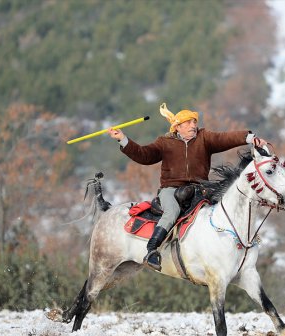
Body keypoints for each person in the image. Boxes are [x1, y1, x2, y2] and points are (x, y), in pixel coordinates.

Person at [108, 102, 269, 271]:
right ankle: (152, 250)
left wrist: (249, 138)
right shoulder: (164, 142)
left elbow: (224, 138)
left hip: (200, 189)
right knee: (171, 212)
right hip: (170, 190)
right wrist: (123, 140)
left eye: (194, 122)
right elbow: (144, 155)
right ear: (177, 127)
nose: (194, 125)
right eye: (189, 122)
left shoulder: (204, 137)